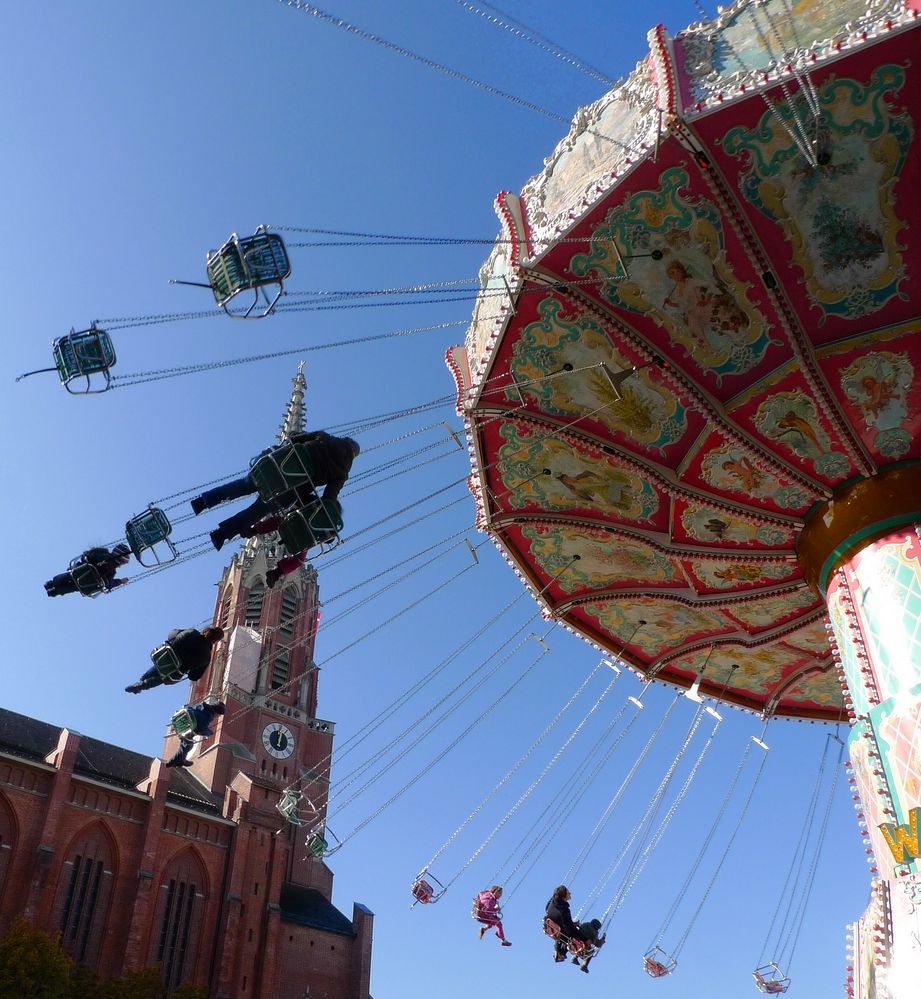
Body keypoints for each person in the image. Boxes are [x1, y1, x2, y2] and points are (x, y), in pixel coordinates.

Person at [190, 432, 360, 551]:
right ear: (353, 456)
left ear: (345, 440)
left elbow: (294, 440)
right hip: (289, 490)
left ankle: (203, 501)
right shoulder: (342, 474)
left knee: (241, 486)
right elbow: (328, 498)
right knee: (255, 513)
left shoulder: (324, 437)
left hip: (276, 468)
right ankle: (221, 534)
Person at [125, 626, 224, 694]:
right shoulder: (206, 657)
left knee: (165, 663)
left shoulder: (192, 632)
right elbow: (193, 677)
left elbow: (171, 634)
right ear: (215, 641)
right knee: (167, 675)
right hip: (175, 670)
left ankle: (141, 682)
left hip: (164, 656)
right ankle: (141, 685)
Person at [44, 544, 131, 597]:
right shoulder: (111, 571)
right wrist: (120, 581)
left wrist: (86, 557)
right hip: (87, 583)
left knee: (69, 575)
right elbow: (109, 584)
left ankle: (51, 584)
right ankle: (55, 592)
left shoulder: (102, 553)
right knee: (73, 587)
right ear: (120, 562)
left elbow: (89, 555)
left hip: (80, 569)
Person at [165, 701, 226, 768]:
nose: (218, 716)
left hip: (182, 724)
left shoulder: (201, 706)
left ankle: (179, 761)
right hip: (188, 729)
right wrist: (209, 732)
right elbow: (201, 729)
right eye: (219, 714)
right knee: (188, 746)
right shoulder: (208, 715)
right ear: (216, 712)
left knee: (185, 746)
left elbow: (187, 706)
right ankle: (172, 762)